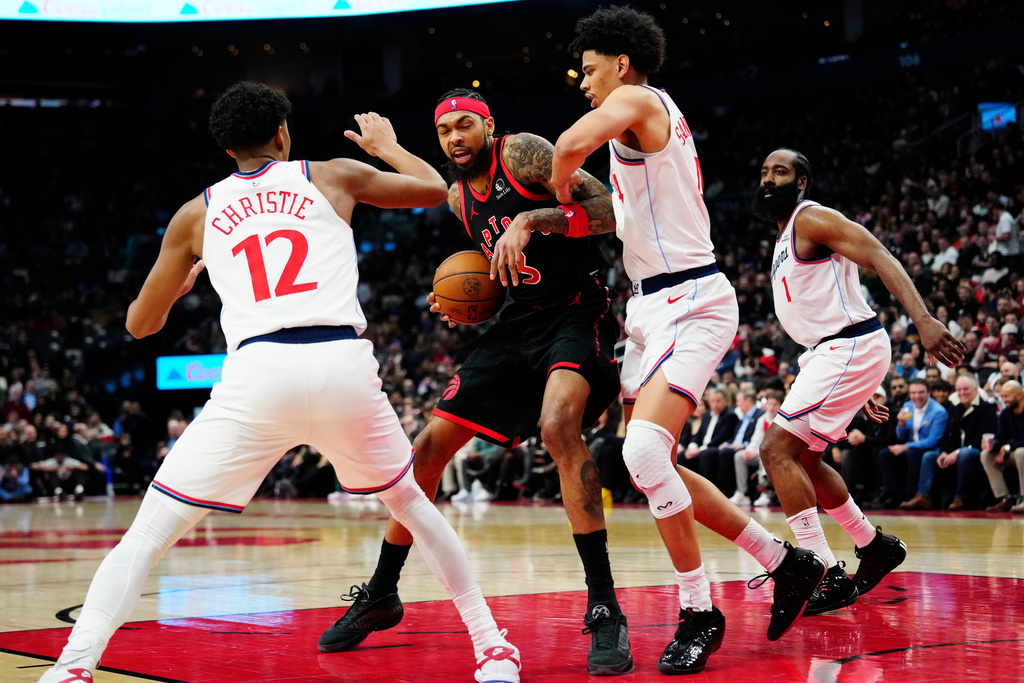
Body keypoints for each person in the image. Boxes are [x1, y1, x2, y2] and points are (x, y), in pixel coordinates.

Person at [38, 82, 520, 683]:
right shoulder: (332, 175)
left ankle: (73, 668)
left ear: (225, 150)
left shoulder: (197, 213)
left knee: (148, 534)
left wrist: (183, 286)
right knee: (412, 507)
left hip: (257, 376)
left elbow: (140, 325)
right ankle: (492, 647)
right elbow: (434, 189)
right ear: (283, 135)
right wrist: (388, 145)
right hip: (341, 362)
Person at [494, 6, 829, 673]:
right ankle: (784, 561)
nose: (582, 83)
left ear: (620, 64)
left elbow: (565, 146)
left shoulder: (640, 99)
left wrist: (557, 185)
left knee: (643, 450)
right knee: (653, 465)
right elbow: (612, 221)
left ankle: (700, 608)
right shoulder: (645, 126)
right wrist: (536, 222)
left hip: (692, 299)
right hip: (649, 307)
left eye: (588, 71)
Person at [317, 88, 630, 676]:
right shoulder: (459, 199)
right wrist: (463, 302)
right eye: (445, 132)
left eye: (465, 126)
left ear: (489, 126)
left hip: (575, 311)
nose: (455, 138)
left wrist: (535, 217)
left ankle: (605, 606)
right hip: (515, 325)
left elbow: (613, 212)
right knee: (426, 450)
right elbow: (497, 273)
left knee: (559, 427)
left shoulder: (525, 155)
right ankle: (383, 593)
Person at [752, 148, 965, 617]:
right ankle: (873, 546)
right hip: (832, 354)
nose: (769, 179)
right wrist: (862, 385)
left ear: (801, 182)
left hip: (846, 347)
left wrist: (924, 321)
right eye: (765, 172)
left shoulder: (813, 219)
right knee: (804, 460)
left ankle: (824, 573)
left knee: (775, 450)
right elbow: (831, 302)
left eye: (781, 172)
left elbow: (877, 255)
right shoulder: (786, 234)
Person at [901, 375, 997, 511]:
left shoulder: (986, 408)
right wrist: (944, 452)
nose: (962, 393)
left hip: (977, 452)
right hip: (955, 452)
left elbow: (984, 437)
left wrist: (956, 453)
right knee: (930, 456)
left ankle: (960, 497)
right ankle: (923, 496)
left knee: (964, 453)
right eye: (959, 389)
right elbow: (948, 435)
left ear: (976, 389)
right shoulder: (955, 409)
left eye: (966, 389)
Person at [875, 378, 949, 510]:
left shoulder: (938, 411)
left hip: (930, 449)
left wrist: (906, 446)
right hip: (911, 447)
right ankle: (891, 494)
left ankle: (912, 495)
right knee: (885, 454)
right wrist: (902, 425)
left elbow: (932, 441)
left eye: (921, 392)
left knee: (912, 452)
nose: (917, 396)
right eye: (913, 393)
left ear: (928, 392)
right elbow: (901, 436)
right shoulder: (908, 406)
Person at [981, 380, 1024, 513]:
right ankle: (1004, 498)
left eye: (1006, 396)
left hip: (1020, 452)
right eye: (1002, 396)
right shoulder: (1006, 413)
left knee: (1021, 453)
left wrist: (1007, 447)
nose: (1003, 400)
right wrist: (991, 444)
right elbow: (1001, 437)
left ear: (1019, 395)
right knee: (986, 455)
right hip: (1014, 451)